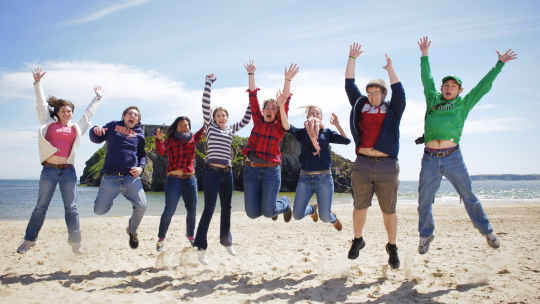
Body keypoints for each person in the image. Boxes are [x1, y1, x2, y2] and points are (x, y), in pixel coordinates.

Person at [416, 36, 517, 254]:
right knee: (424, 200)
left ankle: (487, 231)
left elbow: (483, 86)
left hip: (453, 157)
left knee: (469, 197)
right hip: (430, 158)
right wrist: (424, 55)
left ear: (459, 90)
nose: (448, 88)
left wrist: (499, 65)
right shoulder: (433, 100)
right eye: (446, 85)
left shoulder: (463, 104)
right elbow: (427, 79)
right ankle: (425, 235)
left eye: (453, 86)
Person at [17, 67, 103, 255]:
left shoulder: (76, 128)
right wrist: (38, 83)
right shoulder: (48, 123)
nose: (67, 113)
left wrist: (96, 98)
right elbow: (41, 104)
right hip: (49, 170)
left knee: (71, 208)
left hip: (68, 172)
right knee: (41, 207)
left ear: (72, 113)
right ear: (57, 112)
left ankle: (75, 243)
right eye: (63, 111)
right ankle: (29, 240)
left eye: (69, 111)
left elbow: (88, 115)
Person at [345, 43, 406, 269]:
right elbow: (349, 84)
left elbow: (400, 91)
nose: (371, 96)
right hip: (362, 163)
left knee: (388, 209)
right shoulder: (360, 105)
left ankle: (392, 246)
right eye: (369, 93)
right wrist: (352, 57)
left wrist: (390, 68)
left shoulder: (393, 109)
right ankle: (358, 240)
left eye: (376, 93)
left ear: (383, 94)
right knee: (359, 205)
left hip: (387, 165)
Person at [194, 72, 252, 265]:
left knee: (226, 207)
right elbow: (205, 104)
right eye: (217, 115)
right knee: (209, 209)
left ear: (226, 118)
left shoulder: (230, 129)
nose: (220, 117)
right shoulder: (210, 127)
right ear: (213, 118)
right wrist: (208, 83)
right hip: (211, 172)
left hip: (227, 174)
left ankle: (226, 240)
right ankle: (201, 248)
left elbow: (246, 118)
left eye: (223, 115)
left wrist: (252, 96)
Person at [280, 100, 351, 230]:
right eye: (311, 112)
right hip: (305, 179)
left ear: (321, 117)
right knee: (297, 214)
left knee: (325, 217)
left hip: (324, 179)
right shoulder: (301, 133)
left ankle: (333, 219)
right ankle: (312, 209)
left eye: (317, 113)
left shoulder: (327, 132)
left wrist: (338, 125)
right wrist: (281, 105)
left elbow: (347, 141)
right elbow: (286, 126)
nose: (314, 114)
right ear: (307, 116)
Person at [242, 62, 299, 222]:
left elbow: (285, 103)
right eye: (267, 106)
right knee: (252, 214)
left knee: (268, 212)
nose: (270, 109)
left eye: (274, 107)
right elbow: (252, 96)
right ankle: (269, 204)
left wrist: (287, 80)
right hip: (251, 171)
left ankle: (285, 203)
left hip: (271, 172)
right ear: (263, 110)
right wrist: (251, 74)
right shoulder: (257, 121)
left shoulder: (280, 126)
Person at [89, 106, 147, 249]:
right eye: (129, 113)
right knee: (99, 211)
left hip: (130, 178)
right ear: (124, 116)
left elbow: (142, 155)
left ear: (138, 120)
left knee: (142, 206)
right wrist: (94, 129)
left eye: (135, 115)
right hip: (110, 177)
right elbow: (96, 138)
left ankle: (132, 230)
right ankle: (111, 197)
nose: (132, 116)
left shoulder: (139, 133)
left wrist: (141, 167)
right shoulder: (113, 126)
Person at [154, 117, 205, 252]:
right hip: (173, 180)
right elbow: (161, 151)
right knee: (169, 210)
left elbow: (205, 127)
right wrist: (159, 139)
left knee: (192, 210)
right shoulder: (171, 140)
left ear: (189, 126)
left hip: (190, 181)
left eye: (186, 125)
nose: (183, 127)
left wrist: (208, 113)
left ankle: (190, 235)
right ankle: (161, 239)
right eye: (180, 125)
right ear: (176, 127)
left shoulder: (193, 138)